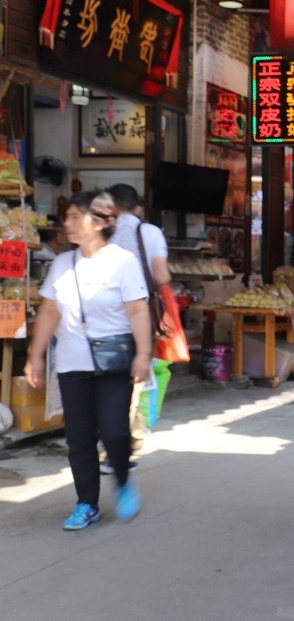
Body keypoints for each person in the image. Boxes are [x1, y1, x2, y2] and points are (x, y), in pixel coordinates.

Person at [24, 191, 151, 530]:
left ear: (98, 222)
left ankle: (123, 482)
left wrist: (144, 354)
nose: (66, 223)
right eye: (66, 216)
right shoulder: (63, 263)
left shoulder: (123, 261)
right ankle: (86, 503)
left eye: (74, 216)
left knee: (114, 432)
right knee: (79, 438)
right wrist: (35, 355)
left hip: (113, 361)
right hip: (71, 364)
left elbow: (138, 310)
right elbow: (50, 312)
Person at [103, 184, 171, 474]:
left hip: (101, 317)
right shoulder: (150, 232)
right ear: (138, 208)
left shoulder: (99, 230)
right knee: (131, 382)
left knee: (107, 381)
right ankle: (115, 451)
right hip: (135, 315)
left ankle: (123, 441)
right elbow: (161, 276)